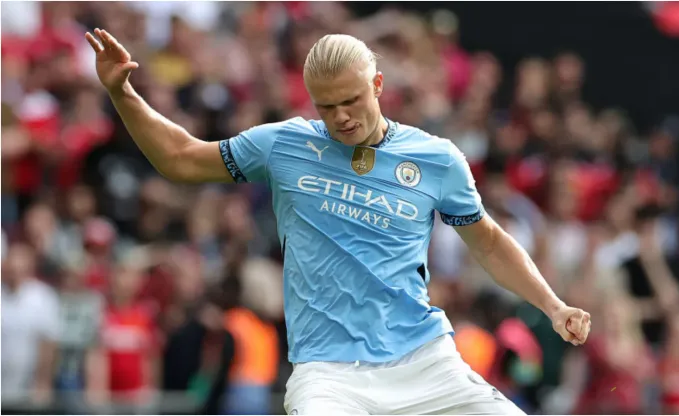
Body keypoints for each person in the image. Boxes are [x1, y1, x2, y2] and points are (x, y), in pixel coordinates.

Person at [85, 28, 591, 415]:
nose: (341, 116)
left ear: (377, 84)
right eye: (327, 106)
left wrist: (552, 305)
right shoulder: (284, 145)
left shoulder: (436, 159)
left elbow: (489, 243)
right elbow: (180, 157)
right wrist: (122, 94)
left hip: (425, 361)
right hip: (328, 374)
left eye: (351, 100)